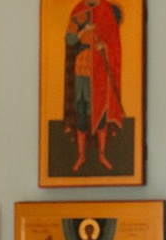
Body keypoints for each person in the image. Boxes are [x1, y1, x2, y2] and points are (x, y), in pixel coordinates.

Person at [65, 0, 126, 173]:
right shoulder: (78, 11)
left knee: (101, 113)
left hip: (100, 71)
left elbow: (114, 42)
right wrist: (83, 31)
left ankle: (102, 155)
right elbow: (69, 39)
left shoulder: (107, 11)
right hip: (82, 70)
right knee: (82, 111)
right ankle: (81, 156)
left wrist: (104, 46)